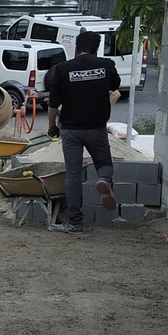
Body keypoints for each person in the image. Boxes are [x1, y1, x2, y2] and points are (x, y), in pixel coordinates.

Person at [43, 30, 122, 234]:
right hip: (96, 127)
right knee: (104, 163)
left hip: (71, 129)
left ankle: (75, 221)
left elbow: (53, 104)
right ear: (97, 48)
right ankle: (103, 180)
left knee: (73, 175)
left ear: (77, 47)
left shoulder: (62, 69)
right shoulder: (106, 65)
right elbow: (115, 87)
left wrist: (52, 126)